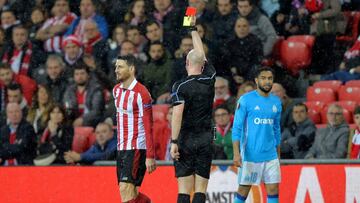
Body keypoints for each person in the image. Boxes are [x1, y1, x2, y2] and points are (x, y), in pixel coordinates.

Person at [170, 17, 216, 203]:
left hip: (186, 139)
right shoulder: (210, 78)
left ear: (187, 64)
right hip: (205, 138)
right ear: (202, 65)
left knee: (183, 189)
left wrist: (174, 141)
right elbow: (201, 55)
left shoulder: (180, 86)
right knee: (200, 190)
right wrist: (193, 29)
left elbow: (177, 114)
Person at [232, 66, 282, 203]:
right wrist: (236, 154)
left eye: (270, 78)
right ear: (256, 80)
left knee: (273, 190)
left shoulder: (276, 102)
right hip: (250, 155)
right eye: (264, 78)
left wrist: (278, 153)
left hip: (271, 155)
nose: (267, 81)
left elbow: (276, 129)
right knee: (243, 190)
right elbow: (236, 128)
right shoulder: (245, 100)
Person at [113, 55, 156, 203]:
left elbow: (149, 125)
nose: (116, 70)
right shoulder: (116, 90)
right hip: (121, 148)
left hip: (136, 146)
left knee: (126, 190)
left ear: (131, 69)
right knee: (130, 191)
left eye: (120, 67)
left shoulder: (142, 93)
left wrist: (150, 155)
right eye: (116, 67)